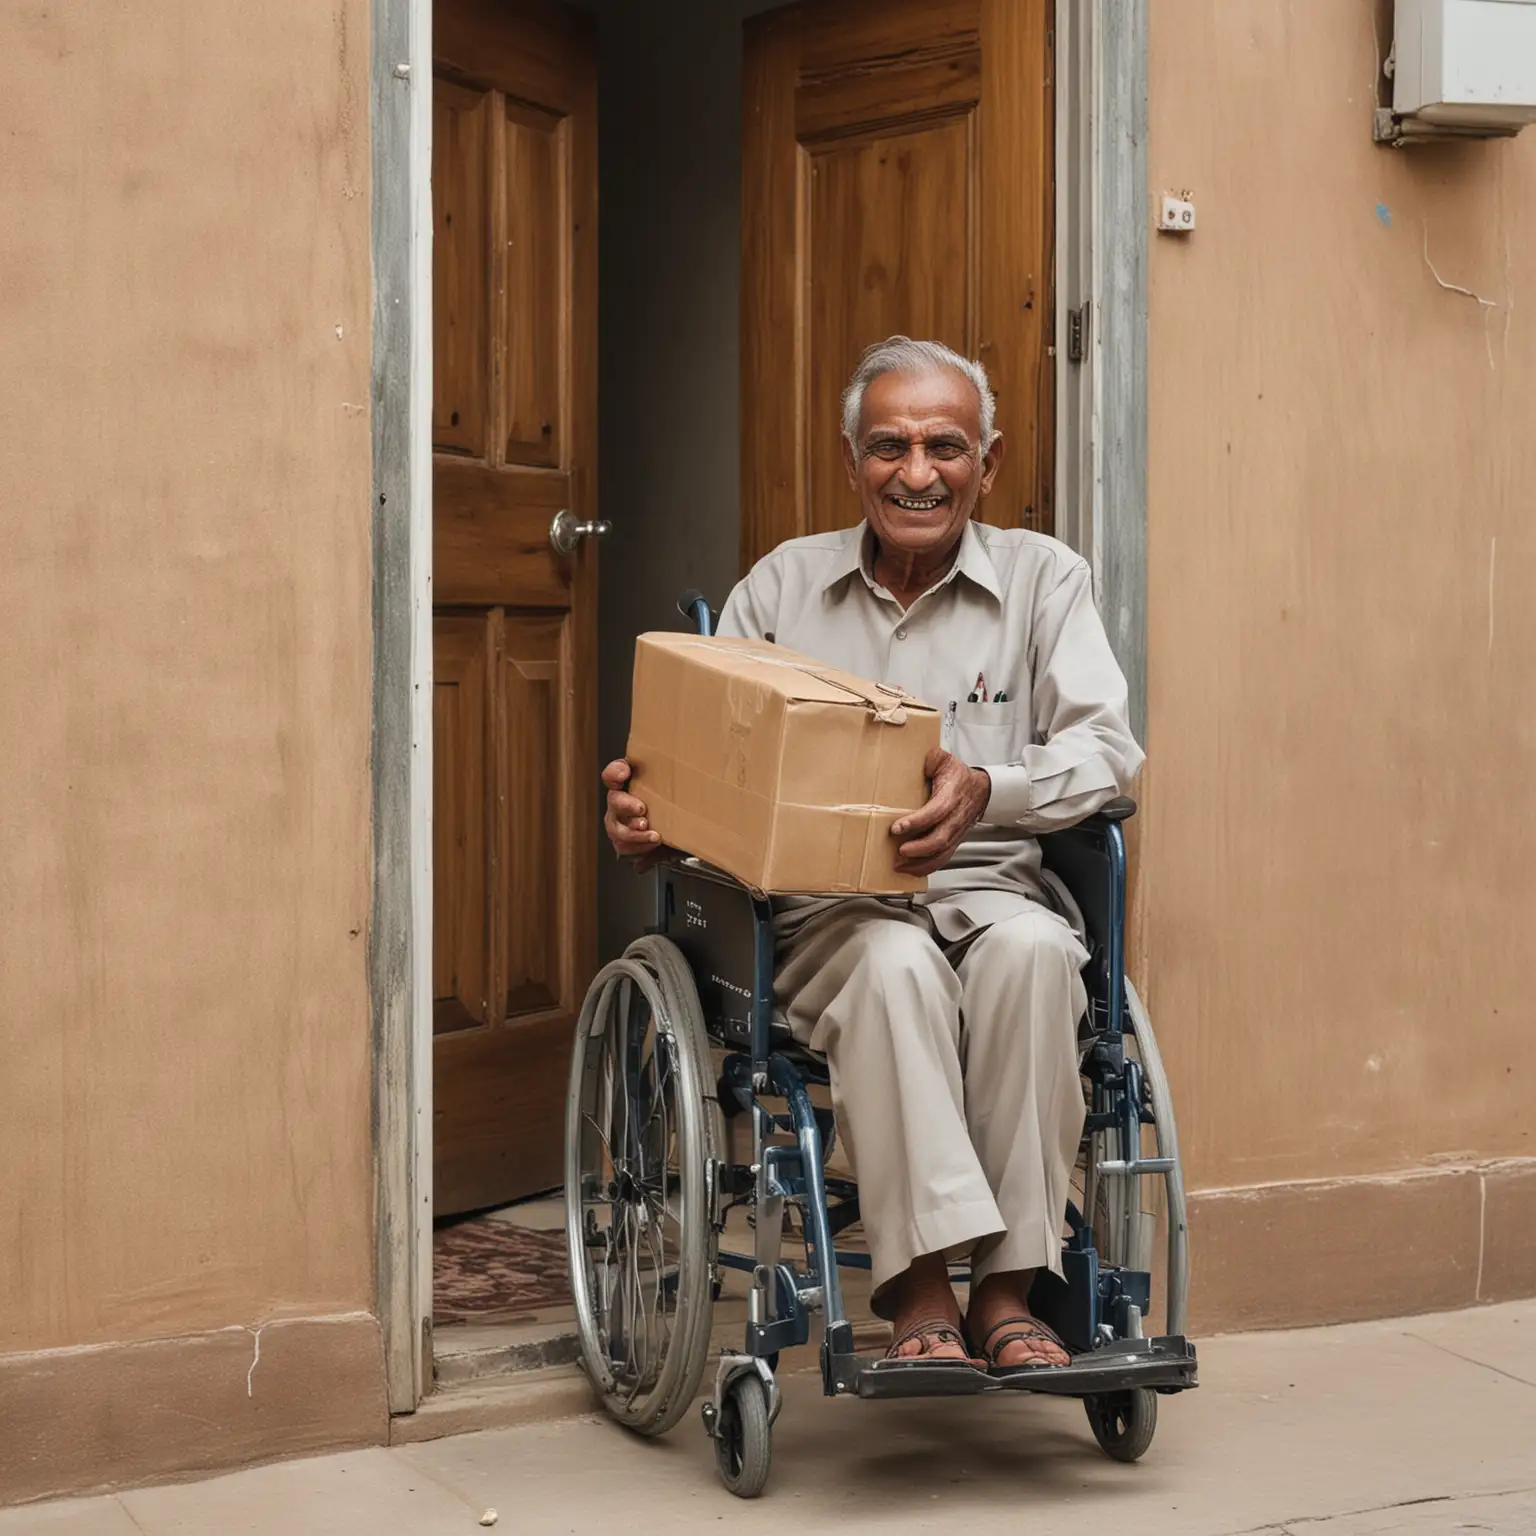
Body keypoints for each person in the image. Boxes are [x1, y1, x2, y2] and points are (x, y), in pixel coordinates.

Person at [601, 336, 1143, 1375]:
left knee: (1037, 957)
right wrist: (648, 816)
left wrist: (995, 789)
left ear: (988, 460)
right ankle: (921, 1291)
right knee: (894, 968)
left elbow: (1107, 751)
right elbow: (700, 769)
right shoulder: (783, 590)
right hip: (822, 916)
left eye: (947, 445)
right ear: (853, 463)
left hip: (991, 891)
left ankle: (1011, 1291)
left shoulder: (1045, 582)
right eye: (889, 445)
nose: (918, 471)